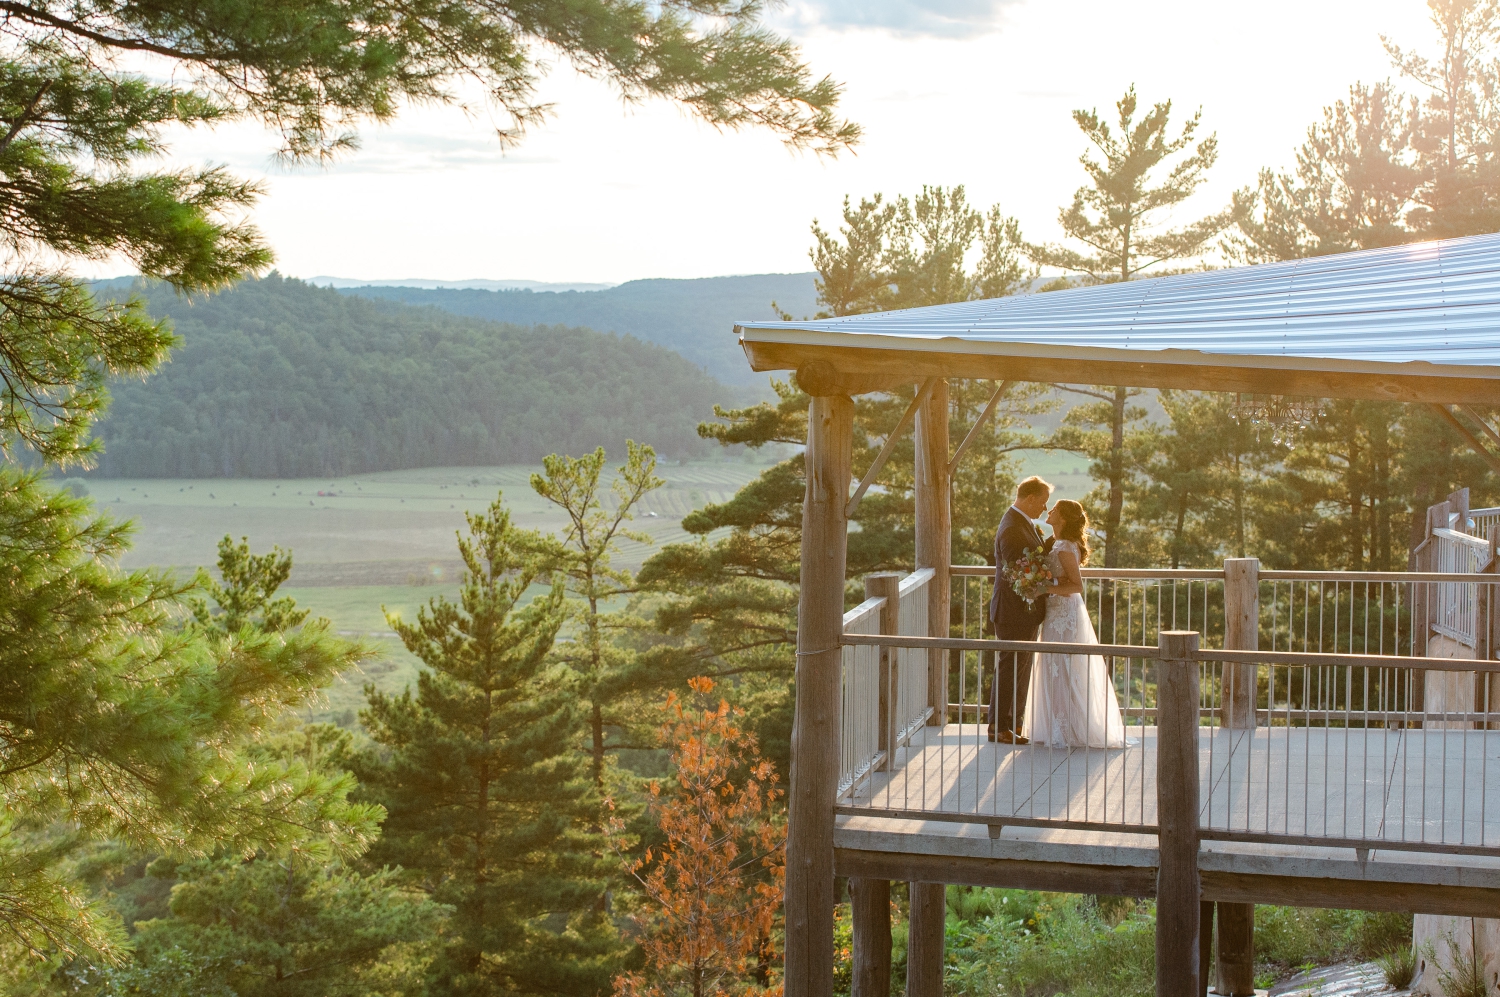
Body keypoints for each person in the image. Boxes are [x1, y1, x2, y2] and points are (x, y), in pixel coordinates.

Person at [1022, 500, 1128, 748]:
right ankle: (1057, 725)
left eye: (1055, 510)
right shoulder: (1056, 543)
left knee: (1065, 668)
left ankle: (1070, 728)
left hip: (1064, 616)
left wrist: (1043, 589)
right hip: (1054, 613)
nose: (1049, 511)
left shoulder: (1066, 547)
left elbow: (1076, 586)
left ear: (1065, 518)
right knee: (1054, 668)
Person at [987, 476, 1052, 744]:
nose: (1044, 510)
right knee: (1010, 666)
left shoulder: (1021, 523)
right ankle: (999, 727)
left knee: (1019, 667)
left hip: (1021, 611)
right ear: (1030, 499)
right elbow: (1020, 573)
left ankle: (1010, 724)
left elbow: (1032, 559)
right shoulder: (1013, 528)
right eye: (1043, 504)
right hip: (1013, 610)